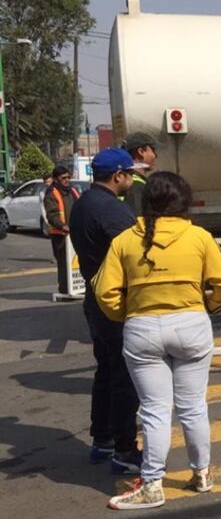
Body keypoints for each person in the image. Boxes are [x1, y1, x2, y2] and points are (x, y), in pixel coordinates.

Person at [94, 172, 221, 510]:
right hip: (191, 326)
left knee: (156, 410)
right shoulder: (198, 237)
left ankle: (153, 483)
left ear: (146, 203)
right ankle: (201, 474)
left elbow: (105, 292)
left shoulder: (126, 241)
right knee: (193, 407)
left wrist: (127, 314)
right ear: (184, 201)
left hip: (142, 329)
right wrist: (206, 308)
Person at [68, 148, 141, 474]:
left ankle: (102, 439)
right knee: (125, 376)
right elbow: (137, 254)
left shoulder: (83, 203)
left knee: (107, 371)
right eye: (130, 174)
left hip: (94, 299)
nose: (132, 179)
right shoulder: (112, 211)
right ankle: (125, 449)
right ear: (118, 176)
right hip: (115, 302)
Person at [42, 166, 81, 294]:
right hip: (60, 235)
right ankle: (65, 290)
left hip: (75, 233)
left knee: (77, 262)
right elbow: (51, 215)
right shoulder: (51, 193)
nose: (67, 180)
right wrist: (63, 225)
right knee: (64, 264)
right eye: (63, 178)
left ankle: (77, 288)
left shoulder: (72, 190)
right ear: (55, 179)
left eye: (68, 177)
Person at [122, 132, 158, 216]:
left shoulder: (126, 180)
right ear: (141, 151)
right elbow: (137, 221)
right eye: (152, 150)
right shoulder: (135, 185)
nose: (155, 155)